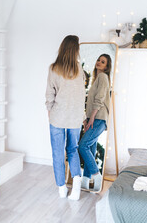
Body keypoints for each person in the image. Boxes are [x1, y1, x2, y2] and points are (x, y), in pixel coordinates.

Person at [45, 35, 85, 201]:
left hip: (58, 117)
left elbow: (49, 94)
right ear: (75, 50)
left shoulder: (54, 68)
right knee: (72, 150)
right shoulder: (79, 70)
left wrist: (50, 111)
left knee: (57, 153)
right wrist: (81, 115)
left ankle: (62, 188)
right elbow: (82, 95)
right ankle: (75, 189)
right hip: (75, 118)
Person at [78, 54, 111, 191]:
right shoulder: (96, 79)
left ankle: (97, 175)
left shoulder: (103, 77)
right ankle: (85, 181)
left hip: (98, 118)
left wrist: (91, 118)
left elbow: (100, 99)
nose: (99, 63)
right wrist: (86, 118)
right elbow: (90, 102)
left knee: (83, 146)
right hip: (94, 118)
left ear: (106, 66)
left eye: (102, 62)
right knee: (90, 148)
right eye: (98, 60)